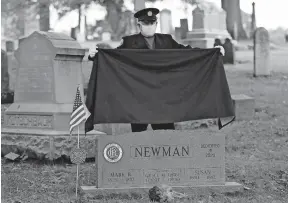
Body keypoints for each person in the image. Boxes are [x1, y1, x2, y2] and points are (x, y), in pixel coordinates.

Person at [88, 8, 225, 132]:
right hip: (138, 98)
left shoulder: (167, 40)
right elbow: (114, 58)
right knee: (138, 136)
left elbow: (186, 52)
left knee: (166, 134)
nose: (149, 26)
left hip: (163, 97)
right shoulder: (129, 42)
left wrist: (212, 52)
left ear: (156, 24)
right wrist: (95, 56)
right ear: (139, 25)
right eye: (146, 23)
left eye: (152, 23)